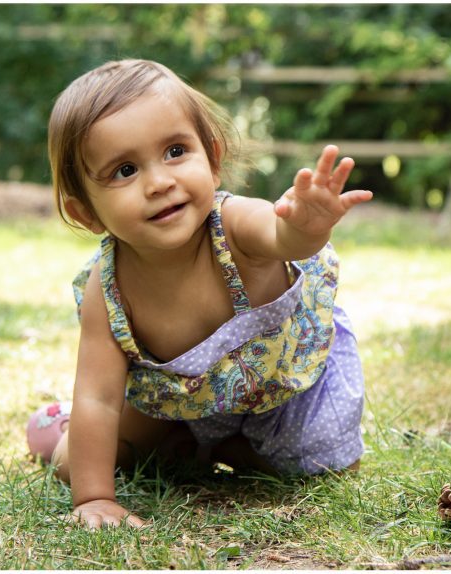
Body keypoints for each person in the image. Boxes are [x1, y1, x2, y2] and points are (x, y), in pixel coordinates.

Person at [27, 59, 373, 529]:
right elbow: (98, 397)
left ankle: (224, 447)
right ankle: (84, 431)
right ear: (86, 211)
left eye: (174, 151)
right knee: (75, 464)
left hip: (287, 389)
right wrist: (94, 499)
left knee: (318, 471)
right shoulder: (107, 288)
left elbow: (282, 238)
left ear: (211, 159)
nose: (159, 182)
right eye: (125, 170)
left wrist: (306, 227)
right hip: (183, 404)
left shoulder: (233, 228)